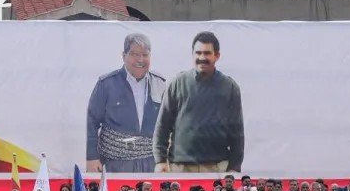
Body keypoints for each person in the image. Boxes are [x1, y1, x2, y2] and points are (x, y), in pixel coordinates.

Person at [152, 31, 244, 173]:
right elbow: (163, 125)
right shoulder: (177, 83)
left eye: (207, 53)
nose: (202, 57)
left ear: (217, 56)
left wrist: (234, 167)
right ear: (192, 54)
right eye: (198, 53)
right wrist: (160, 160)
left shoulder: (230, 87)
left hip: (217, 168)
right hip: (180, 167)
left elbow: (237, 132)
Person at [86, 33, 165, 174]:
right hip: (115, 163)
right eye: (135, 54)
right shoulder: (106, 84)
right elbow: (92, 121)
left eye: (145, 55)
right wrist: (92, 158)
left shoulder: (160, 84)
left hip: (150, 163)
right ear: (124, 56)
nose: (140, 60)